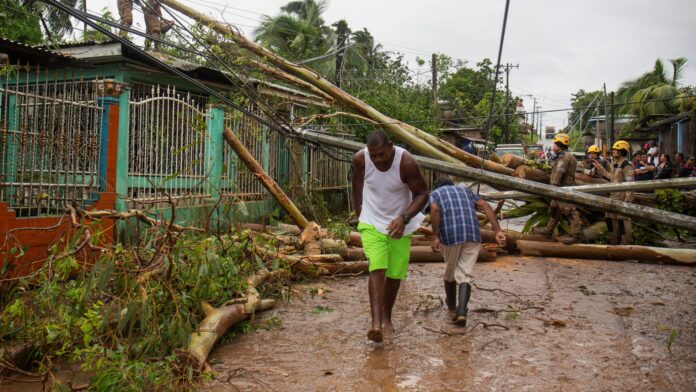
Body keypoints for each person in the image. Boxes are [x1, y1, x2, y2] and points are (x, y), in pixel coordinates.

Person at [352, 130, 429, 343]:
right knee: (377, 266)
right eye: (373, 155)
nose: (378, 160)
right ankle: (375, 324)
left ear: (390, 146)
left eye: (381, 155)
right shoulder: (360, 159)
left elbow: (423, 194)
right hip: (371, 221)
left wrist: (404, 218)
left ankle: (387, 317)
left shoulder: (407, 163)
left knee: (395, 274)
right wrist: (359, 211)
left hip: (400, 223)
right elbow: (357, 182)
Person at [429, 178, 506, 326]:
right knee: (465, 273)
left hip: (450, 235)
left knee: (450, 270)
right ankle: (462, 311)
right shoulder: (465, 191)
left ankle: (451, 306)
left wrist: (435, 236)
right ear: (452, 185)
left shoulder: (435, 193)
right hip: (473, 234)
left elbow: (434, 209)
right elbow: (484, 204)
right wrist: (497, 231)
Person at [532, 133, 583, 245]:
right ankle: (549, 230)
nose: (553, 146)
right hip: (560, 188)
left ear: (559, 145)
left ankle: (576, 235)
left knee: (569, 211)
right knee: (554, 208)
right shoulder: (565, 156)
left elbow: (559, 173)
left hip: (561, 189)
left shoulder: (563, 157)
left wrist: (553, 187)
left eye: (555, 144)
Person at [594, 140, 635, 245]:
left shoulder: (627, 165)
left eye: (615, 150)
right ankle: (613, 243)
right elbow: (610, 177)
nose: (612, 152)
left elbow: (630, 185)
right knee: (609, 219)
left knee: (623, 221)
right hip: (612, 197)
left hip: (622, 199)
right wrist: (600, 168)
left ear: (621, 152)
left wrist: (627, 202)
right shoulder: (615, 165)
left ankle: (626, 245)